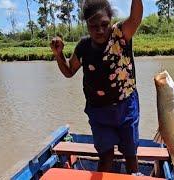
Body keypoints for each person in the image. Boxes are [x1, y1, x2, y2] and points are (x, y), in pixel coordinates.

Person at [50, 0, 143, 174]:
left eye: (104, 24)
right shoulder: (84, 46)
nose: (100, 30)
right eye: (94, 26)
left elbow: (136, 18)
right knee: (105, 156)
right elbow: (69, 71)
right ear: (86, 25)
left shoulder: (120, 35)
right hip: (98, 112)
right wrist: (58, 54)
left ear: (111, 21)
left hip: (126, 108)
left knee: (131, 154)